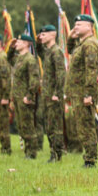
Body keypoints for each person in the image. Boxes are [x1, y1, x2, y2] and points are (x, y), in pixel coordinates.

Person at [65, 15, 98, 168]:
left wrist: (88, 94)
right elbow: (71, 51)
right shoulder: (82, 44)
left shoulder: (90, 44)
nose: (76, 27)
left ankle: (90, 160)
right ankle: (88, 157)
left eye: (79, 24)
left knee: (86, 126)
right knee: (81, 126)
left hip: (84, 92)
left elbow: (92, 70)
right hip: (78, 92)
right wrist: (70, 38)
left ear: (89, 27)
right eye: (75, 24)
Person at [37, 25, 67, 162]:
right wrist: (38, 41)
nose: (41, 36)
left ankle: (57, 154)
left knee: (55, 126)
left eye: (43, 34)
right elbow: (39, 51)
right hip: (47, 94)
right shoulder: (48, 52)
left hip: (54, 95)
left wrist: (57, 93)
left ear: (52, 35)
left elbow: (61, 75)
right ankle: (53, 152)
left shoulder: (56, 52)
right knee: (49, 126)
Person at [10, 34, 40, 158]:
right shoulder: (19, 58)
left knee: (28, 126)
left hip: (25, 97)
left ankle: (32, 153)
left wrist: (29, 95)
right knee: (21, 126)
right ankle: (27, 151)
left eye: (19, 41)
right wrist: (11, 48)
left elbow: (35, 79)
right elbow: (8, 58)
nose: (16, 43)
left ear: (27, 44)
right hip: (17, 97)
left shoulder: (30, 59)